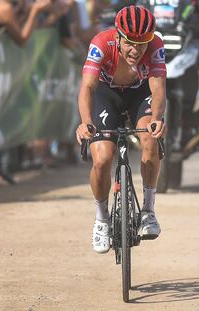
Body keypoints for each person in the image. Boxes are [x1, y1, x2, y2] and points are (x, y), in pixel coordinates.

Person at [75, 5, 166, 254]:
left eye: (142, 44)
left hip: (139, 93)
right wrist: (85, 122)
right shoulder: (101, 43)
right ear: (118, 36)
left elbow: (158, 89)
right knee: (103, 157)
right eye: (129, 44)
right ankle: (101, 218)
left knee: (150, 138)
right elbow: (87, 88)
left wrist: (157, 118)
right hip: (107, 93)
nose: (136, 50)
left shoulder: (156, 44)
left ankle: (148, 211)